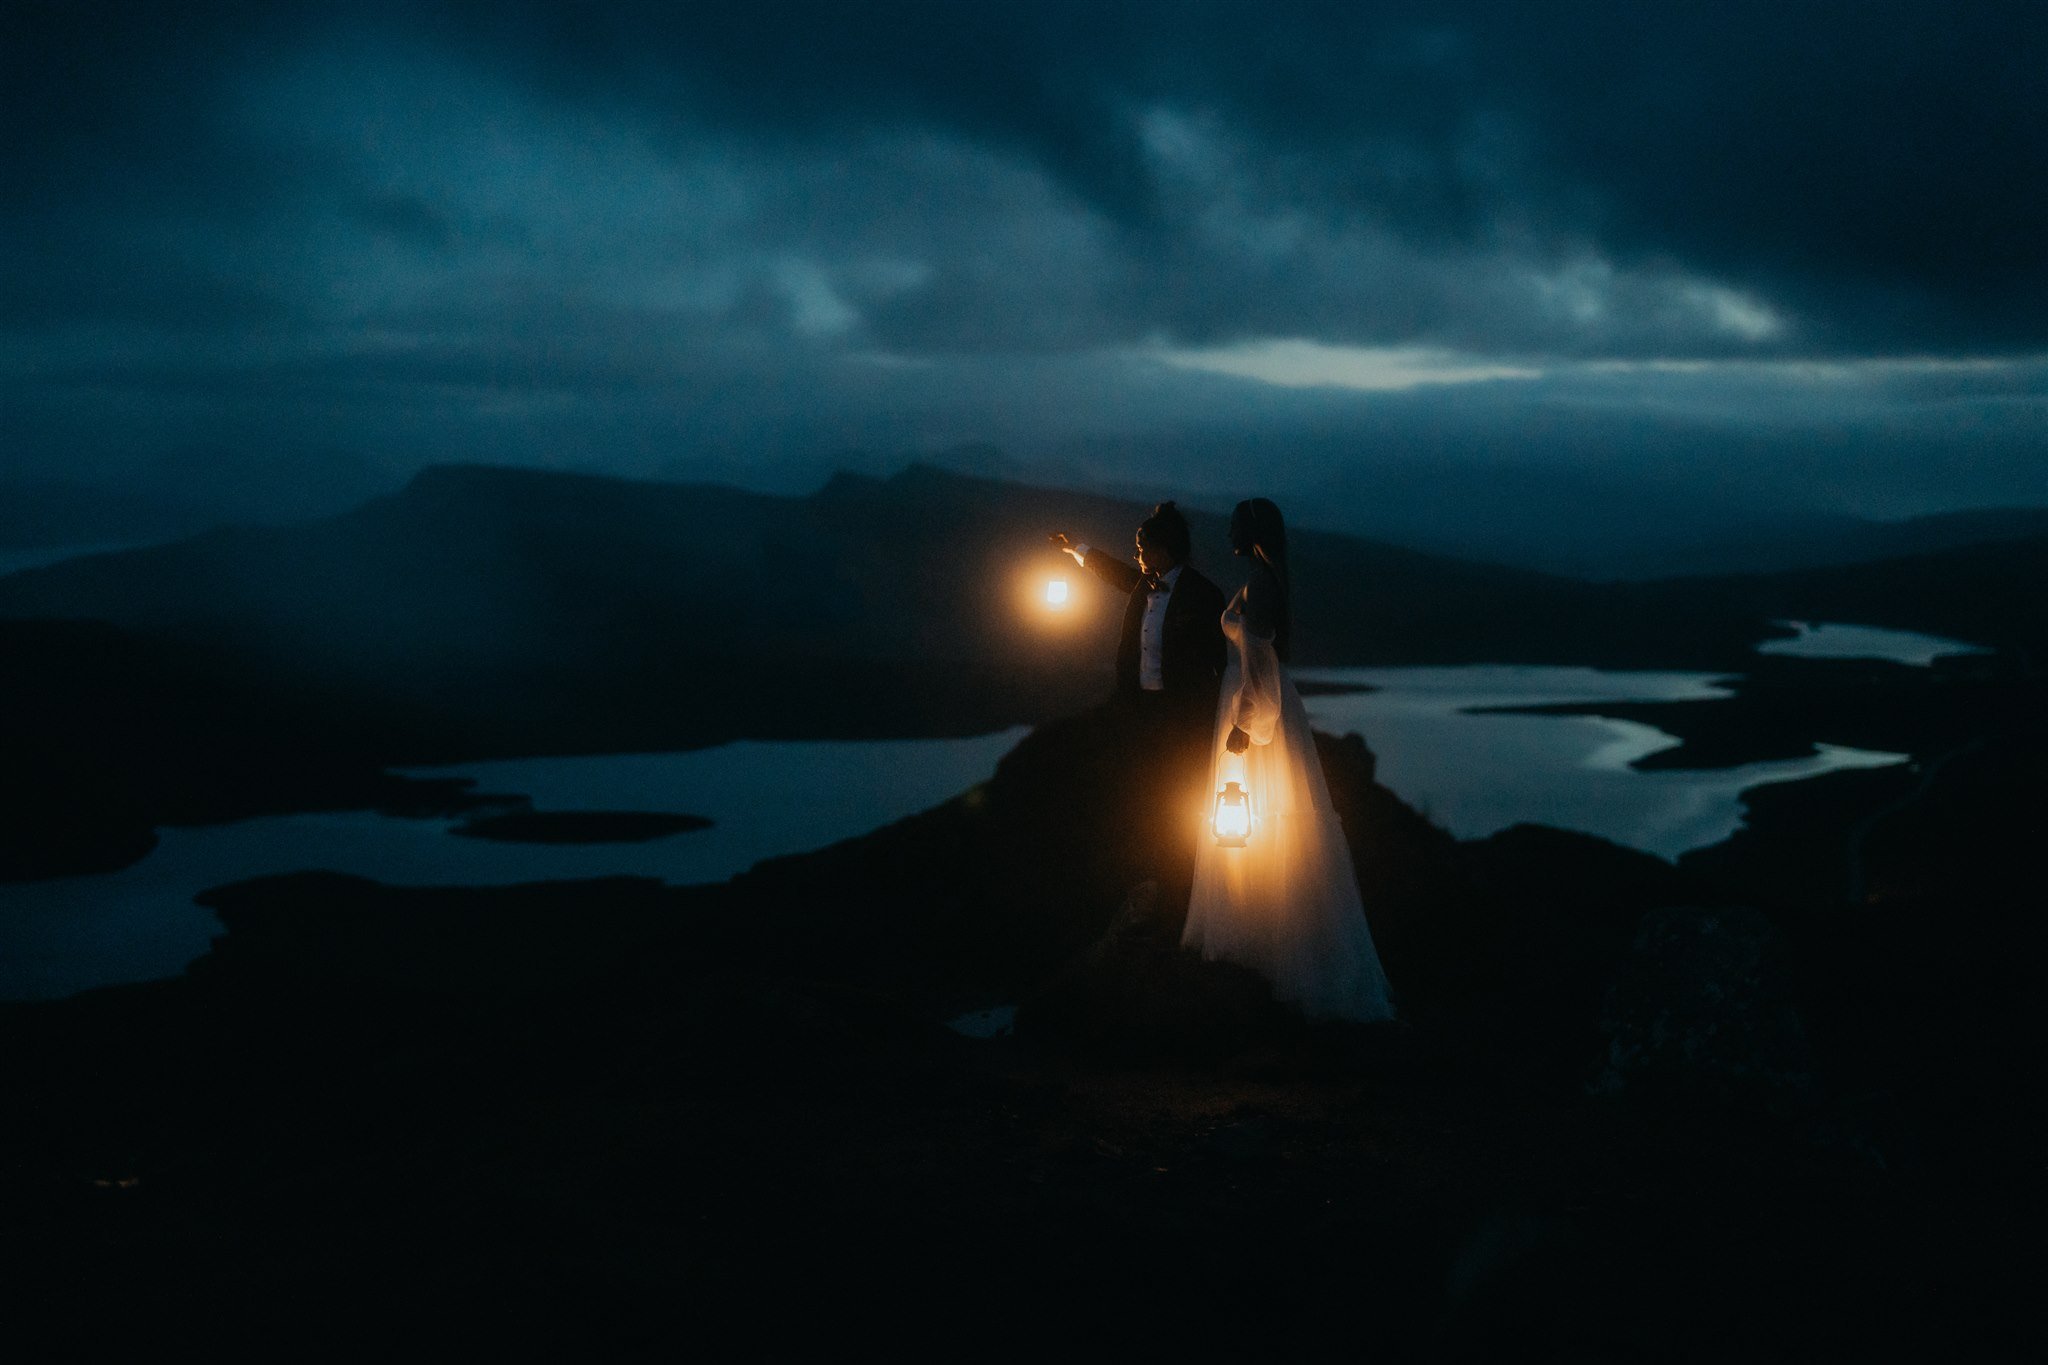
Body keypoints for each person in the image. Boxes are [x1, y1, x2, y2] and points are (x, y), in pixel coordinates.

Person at [1182, 498, 1395, 1022]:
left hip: (1255, 717)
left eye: (1234, 523)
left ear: (1251, 529)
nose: (1227, 529)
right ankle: (1261, 952)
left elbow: (1262, 673)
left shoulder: (1260, 585)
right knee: (1264, 832)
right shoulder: (1261, 579)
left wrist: (1244, 729)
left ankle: (1272, 961)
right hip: (1251, 706)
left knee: (1264, 827)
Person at [1049, 502, 1226, 910]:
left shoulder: (1202, 594)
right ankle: (1155, 874)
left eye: (1141, 546)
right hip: (1142, 711)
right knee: (1146, 793)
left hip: (1181, 718)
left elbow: (1220, 661)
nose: (1137, 554)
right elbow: (1113, 571)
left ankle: (1185, 881)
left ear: (1163, 549)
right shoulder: (1144, 585)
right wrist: (1076, 548)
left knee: (1182, 796)